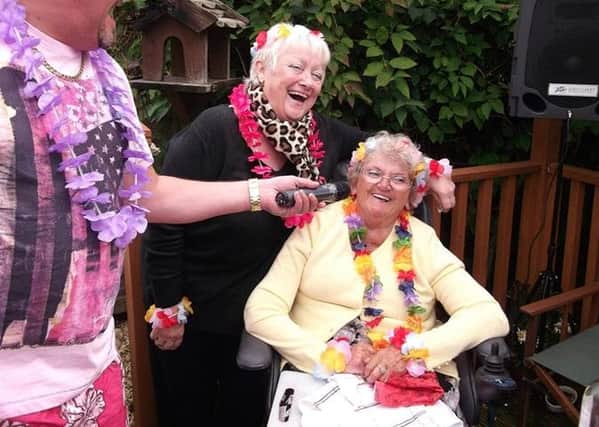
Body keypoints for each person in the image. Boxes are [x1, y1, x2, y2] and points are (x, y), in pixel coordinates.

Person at [0, 2, 321, 425]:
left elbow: (145, 193)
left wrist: (259, 193)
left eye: (318, 74)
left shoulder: (106, 74)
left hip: (94, 374)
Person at [145, 23, 457, 426]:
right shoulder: (212, 131)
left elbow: (385, 150)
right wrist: (168, 306)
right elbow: (164, 221)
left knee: (244, 416)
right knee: (189, 415)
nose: (307, 82)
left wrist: (428, 170)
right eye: (296, 67)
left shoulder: (318, 133)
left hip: (267, 317)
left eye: (317, 74)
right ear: (261, 69)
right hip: (198, 313)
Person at [244, 132, 509, 420]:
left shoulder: (424, 241)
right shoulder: (316, 226)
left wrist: (412, 351)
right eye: (374, 173)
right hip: (319, 371)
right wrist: (329, 356)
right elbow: (261, 308)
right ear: (355, 183)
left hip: (405, 376)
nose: (384, 184)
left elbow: (487, 314)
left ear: (410, 195)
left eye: (399, 179)